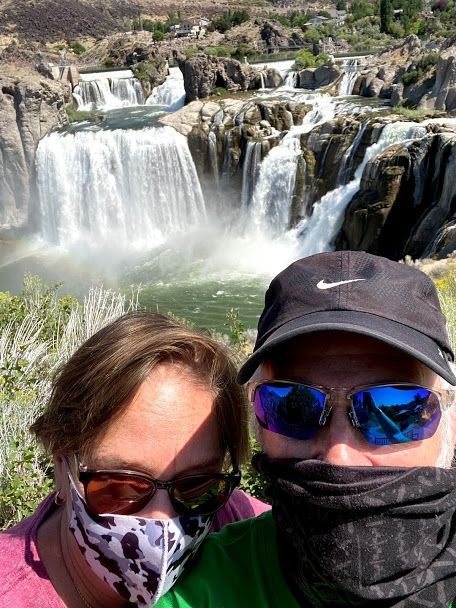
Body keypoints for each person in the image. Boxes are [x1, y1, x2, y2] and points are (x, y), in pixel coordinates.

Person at [157, 250, 456, 608]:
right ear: (258, 422)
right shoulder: (204, 590)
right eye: (293, 406)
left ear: (448, 419)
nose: (339, 455)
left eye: (394, 409)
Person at [0, 311, 269, 607]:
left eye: (195, 486)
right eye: (120, 487)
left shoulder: (237, 523)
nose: (163, 524)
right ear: (63, 466)